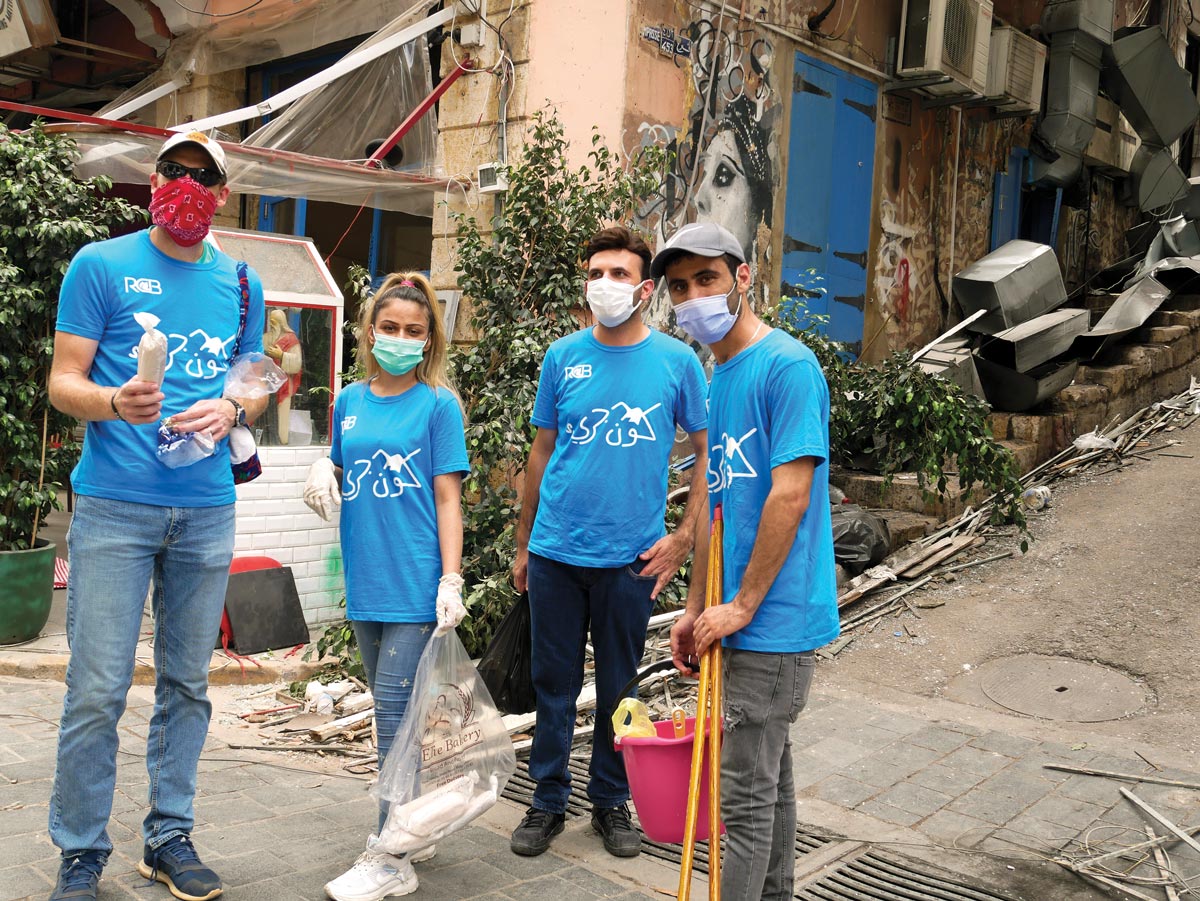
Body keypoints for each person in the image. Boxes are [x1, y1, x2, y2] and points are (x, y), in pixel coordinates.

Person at [47, 131, 267, 901]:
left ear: (222, 192)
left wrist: (234, 402)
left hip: (206, 509)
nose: (189, 185)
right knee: (98, 686)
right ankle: (79, 850)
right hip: (113, 508)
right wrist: (113, 401)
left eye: (205, 177)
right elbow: (61, 380)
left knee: (186, 683)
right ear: (153, 177)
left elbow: (259, 377)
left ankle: (169, 835)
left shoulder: (241, 281)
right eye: (177, 170)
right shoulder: (100, 265)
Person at [510, 226, 709, 859]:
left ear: (645, 289)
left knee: (621, 686)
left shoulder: (678, 364)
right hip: (556, 554)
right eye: (596, 272)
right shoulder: (563, 357)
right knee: (553, 685)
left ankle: (610, 800)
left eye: (620, 274)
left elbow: (709, 455)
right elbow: (541, 453)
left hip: (632, 561)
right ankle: (545, 802)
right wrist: (523, 543)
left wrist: (682, 538)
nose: (606, 284)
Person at [656, 222, 839, 901]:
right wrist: (697, 605)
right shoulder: (719, 374)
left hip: (773, 621)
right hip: (738, 619)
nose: (694, 295)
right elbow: (716, 505)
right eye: (680, 286)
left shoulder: (787, 366)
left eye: (707, 278)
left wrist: (741, 604)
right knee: (770, 781)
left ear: (744, 276)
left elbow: (790, 495)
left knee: (744, 800)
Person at [303, 272, 468, 901]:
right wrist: (325, 461)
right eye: (390, 327)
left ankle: (390, 858)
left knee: (394, 724)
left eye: (414, 331)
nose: (400, 338)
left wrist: (451, 577)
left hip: (415, 585)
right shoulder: (350, 400)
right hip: (365, 580)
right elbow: (343, 459)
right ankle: (415, 826)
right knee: (395, 722)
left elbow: (449, 499)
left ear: (429, 340)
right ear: (370, 332)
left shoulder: (437, 406)